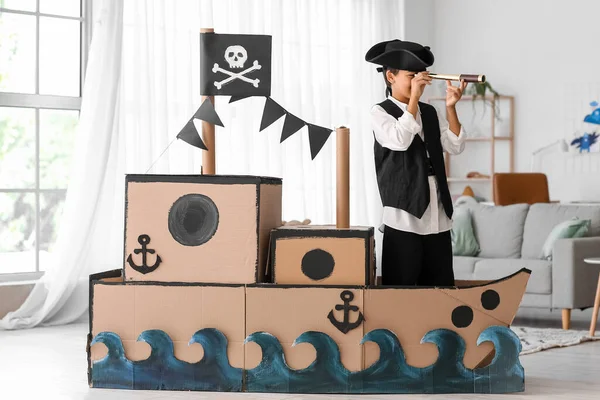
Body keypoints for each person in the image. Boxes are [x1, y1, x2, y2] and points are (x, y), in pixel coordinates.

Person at [365, 39, 468, 286]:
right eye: (411, 76)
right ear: (391, 76)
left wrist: (451, 108)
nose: (417, 82)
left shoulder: (430, 112)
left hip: (437, 211)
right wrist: (413, 101)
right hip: (403, 214)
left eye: (419, 76)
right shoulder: (380, 112)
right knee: (402, 286)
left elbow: (455, 145)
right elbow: (399, 140)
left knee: (441, 285)